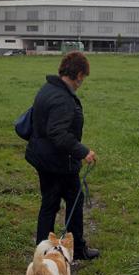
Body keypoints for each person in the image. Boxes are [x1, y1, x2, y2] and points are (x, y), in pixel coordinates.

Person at [25, 51, 100, 260]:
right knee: (75, 199)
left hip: (43, 157)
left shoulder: (48, 89)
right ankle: (76, 249)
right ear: (77, 74)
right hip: (58, 162)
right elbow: (58, 134)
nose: (81, 82)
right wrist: (83, 151)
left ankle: (43, 253)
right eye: (82, 77)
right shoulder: (62, 99)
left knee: (49, 204)